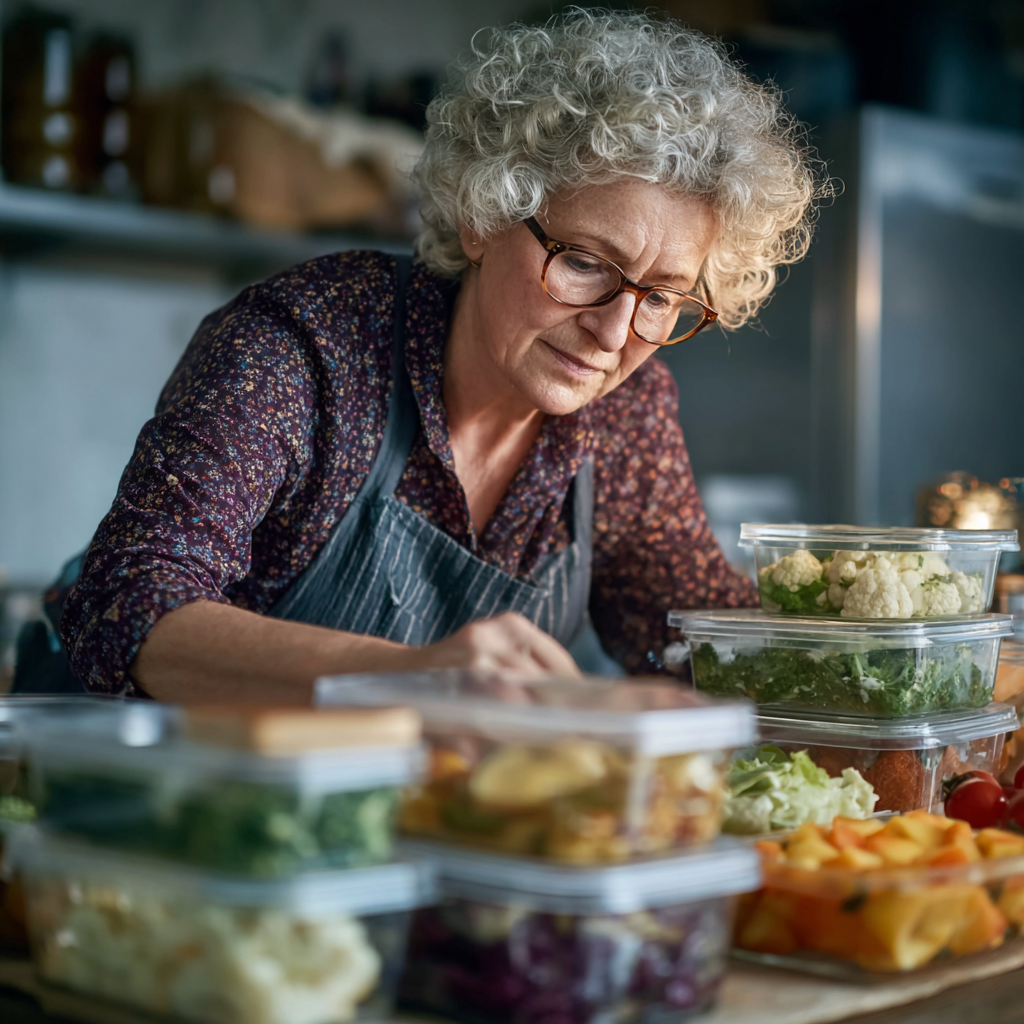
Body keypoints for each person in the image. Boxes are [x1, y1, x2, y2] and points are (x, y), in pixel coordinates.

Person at [48, 10, 820, 702]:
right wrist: (417, 680)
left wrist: (878, 654)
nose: (616, 335)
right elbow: (129, 602)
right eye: (585, 262)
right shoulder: (302, 349)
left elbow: (691, 642)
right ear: (482, 216)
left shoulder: (625, 414)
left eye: (661, 298)